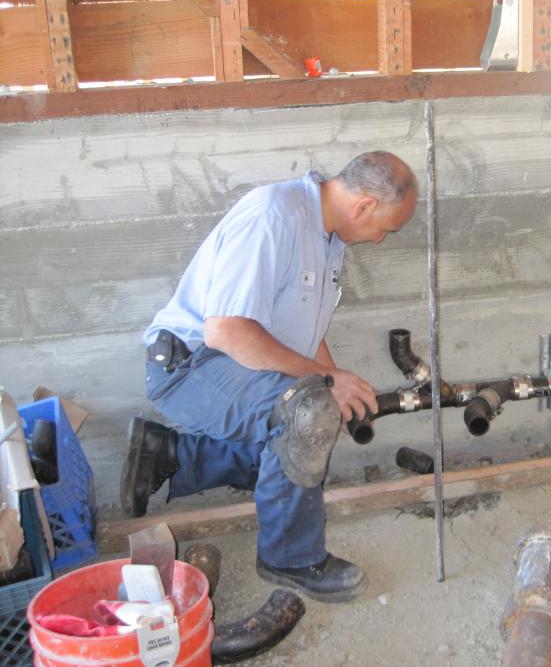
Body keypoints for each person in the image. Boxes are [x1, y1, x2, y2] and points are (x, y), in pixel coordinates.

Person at [121, 151, 418, 602]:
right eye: (387, 229)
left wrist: (333, 379)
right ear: (364, 207)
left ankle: (170, 455)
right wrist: (322, 387)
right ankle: (290, 557)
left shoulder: (327, 239)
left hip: (230, 362)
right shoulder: (274, 216)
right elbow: (226, 331)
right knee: (306, 415)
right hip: (189, 366)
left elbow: (301, 338)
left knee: (310, 418)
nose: (380, 241)